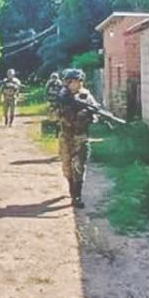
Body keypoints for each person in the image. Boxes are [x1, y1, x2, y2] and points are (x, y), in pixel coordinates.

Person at [56, 68, 98, 208]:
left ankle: (77, 196)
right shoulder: (62, 96)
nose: (75, 84)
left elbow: (95, 115)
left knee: (79, 166)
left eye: (78, 81)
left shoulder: (86, 96)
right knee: (67, 166)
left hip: (81, 136)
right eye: (72, 81)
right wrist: (64, 111)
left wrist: (87, 114)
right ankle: (71, 189)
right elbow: (52, 115)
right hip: (66, 136)